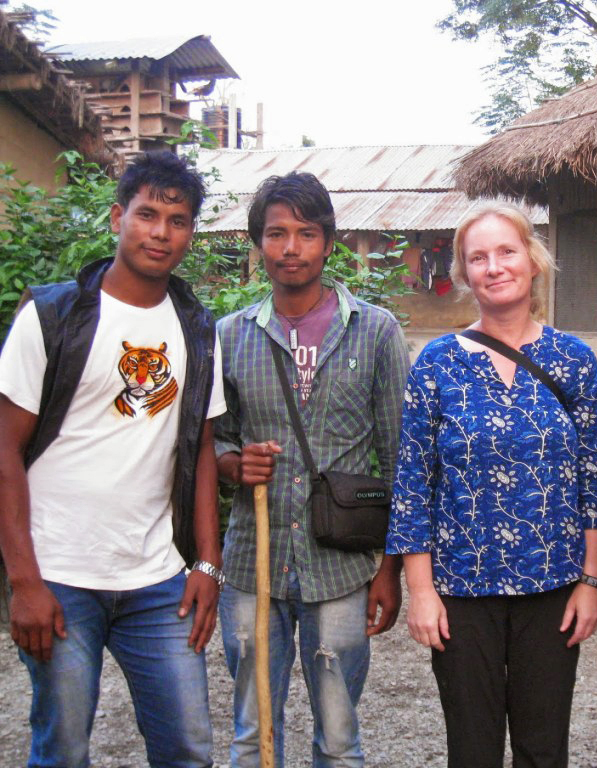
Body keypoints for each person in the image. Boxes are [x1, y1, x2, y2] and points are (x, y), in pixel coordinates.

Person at [0, 150, 224, 767]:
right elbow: (4, 450)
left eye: (177, 220)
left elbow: (201, 448)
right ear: (117, 217)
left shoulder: (198, 328)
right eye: (147, 214)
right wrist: (24, 582)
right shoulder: (54, 315)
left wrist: (207, 562)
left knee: (187, 747)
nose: (160, 231)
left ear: (190, 234)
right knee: (64, 748)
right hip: (60, 574)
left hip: (157, 578)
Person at [387, 202, 597, 768]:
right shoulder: (437, 362)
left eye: (507, 252)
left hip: (553, 586)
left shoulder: (573, 359)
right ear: (464, 274)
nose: (494, 267)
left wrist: (592, 581)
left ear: (533, 261)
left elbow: (596, 476)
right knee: (472, 749)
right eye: (478, 258)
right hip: (462, 590)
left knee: (544, 749)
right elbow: (413, 481)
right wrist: (421, 591)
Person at [215, 171, 408, 767]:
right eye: (276, 234)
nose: (290, 248)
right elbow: (214, 448)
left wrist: (390, 571)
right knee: (252, 732)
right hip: (253, 562)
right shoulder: (230, 337)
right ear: (259, 243)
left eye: (305, 233)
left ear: (328, 242)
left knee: (340, 738)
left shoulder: (375, 332)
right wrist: (234, 465)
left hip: (342, 567)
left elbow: (400, 456)